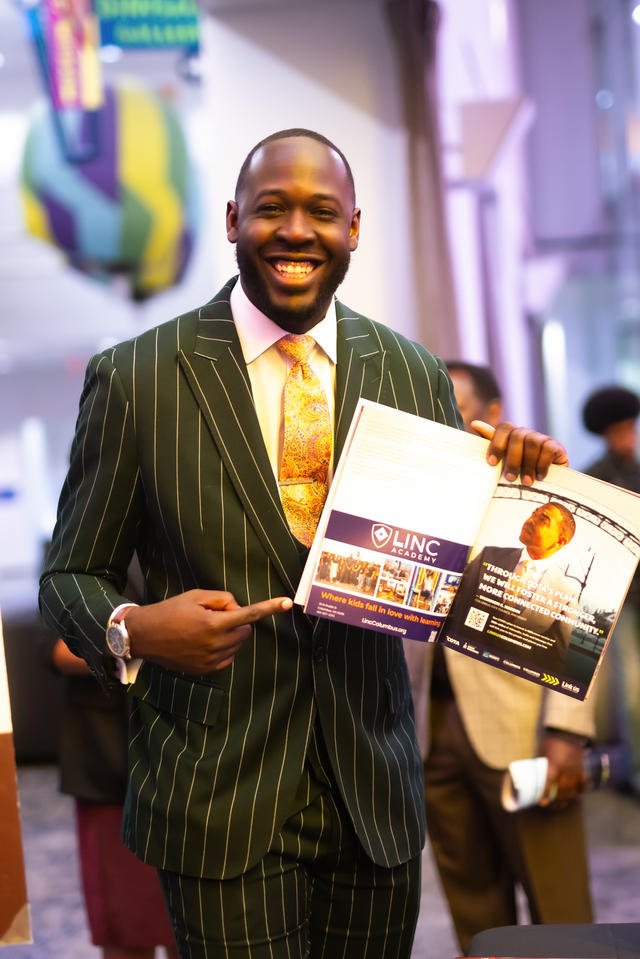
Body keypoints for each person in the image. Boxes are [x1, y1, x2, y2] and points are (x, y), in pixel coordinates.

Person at [38, 130, 570, 959]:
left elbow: (455, 565)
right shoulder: (137, 376)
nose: (296, 230)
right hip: (218, 794)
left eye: (322, 211)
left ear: (355, 227)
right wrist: (133, 629)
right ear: (231, 221)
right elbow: (71, 572)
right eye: (271, 208)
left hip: (373, 792)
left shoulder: (412, 371)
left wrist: (521, 484)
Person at [404, 361, 595, 956]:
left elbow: (589, 621)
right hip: (430, 734)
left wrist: (568, 731)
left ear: (491, 415)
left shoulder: (545, 493)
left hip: (525, 732)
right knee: (475, 912)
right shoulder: (412, 494)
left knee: (558, 907)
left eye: (455, 412)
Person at [48, 636, 179, 959]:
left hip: (192, 754)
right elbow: (54, 650)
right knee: (124, 926)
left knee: (196, 922)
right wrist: (154, 647)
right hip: (109, 759)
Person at [582, 385, 640, 795]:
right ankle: (635, 771)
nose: (627, 436)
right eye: (619, 429)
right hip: (622, 596)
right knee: (633, 687)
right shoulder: (594, 476)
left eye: (630, 427)